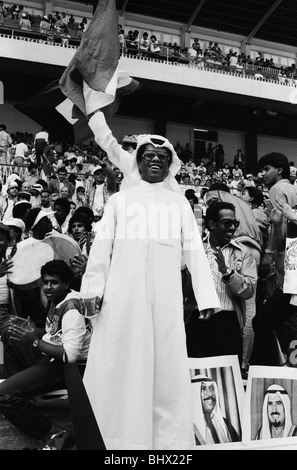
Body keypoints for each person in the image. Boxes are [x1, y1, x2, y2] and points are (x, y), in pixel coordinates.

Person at [79, 126, 220, 450]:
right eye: (148, 156)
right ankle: (118, 441)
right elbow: (101, 251)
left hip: (165, 302)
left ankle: (165, 445)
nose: (155, 160)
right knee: (122, 364)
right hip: (123, 299)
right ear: (138, 163)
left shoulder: (179, 204)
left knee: (165, 372)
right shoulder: (119, 201)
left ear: (170, 164)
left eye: (161, 157)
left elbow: (195, 252)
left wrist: (205, 297)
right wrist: (91, 293)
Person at [0, 260, 93, 443]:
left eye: (54, 282)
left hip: (66, 368)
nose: (48, 287)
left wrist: (33, 341)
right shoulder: (57, 299)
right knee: (9, 333)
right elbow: (54, 334)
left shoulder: (72, 308)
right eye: (45, 282)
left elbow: (70, 356)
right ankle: (25, 399)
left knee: (3, 393)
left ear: (66, 284)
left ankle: (54, 435)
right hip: (49, 355)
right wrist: (33, 331)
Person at [185, 201, 257, 365]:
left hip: (227, 322)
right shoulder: (196, 250)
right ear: (211, 224)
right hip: (197, 319)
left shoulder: (243, 253)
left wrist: (227, 273)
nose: (232, 228)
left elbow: (249, 290)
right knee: (197, 375)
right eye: (227, 223)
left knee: (228, 377)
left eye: (235, 223)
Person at [191, 374, 241, 445]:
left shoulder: (226, 424)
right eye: (203, 388)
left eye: (211, 388)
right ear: (194, 394)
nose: (210, 394)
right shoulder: (187, 430)